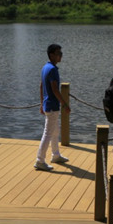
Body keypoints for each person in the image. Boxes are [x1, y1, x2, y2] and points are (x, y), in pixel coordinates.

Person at [35, 43, 70, 171]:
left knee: (55, 131)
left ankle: (56, 155)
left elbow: (41, 86)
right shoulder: (53, 70)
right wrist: (65, 104)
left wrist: (41, 104)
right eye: (58, 53)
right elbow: (55, 89)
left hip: (47, 105)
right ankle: (39, 160)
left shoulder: (45, 67)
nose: (61, 55)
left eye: (61, 53)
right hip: (52, 106)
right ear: (51, 55)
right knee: (48, 133)